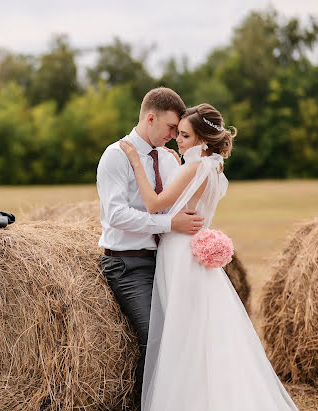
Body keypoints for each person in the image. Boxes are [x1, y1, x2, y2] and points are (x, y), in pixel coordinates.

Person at [119, 103, 298, 410]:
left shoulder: (193, 168)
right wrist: (178, 162)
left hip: (179, 252)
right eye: (178, 133)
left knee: (181, 329)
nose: (178, 138)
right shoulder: (214, 166)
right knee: (200, 327)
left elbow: (153, 204)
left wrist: (136, 162)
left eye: (185, 135)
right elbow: (190, 192)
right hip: (191, 253)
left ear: (202, 140)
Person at [96, 87, 205, 403]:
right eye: (171, 127)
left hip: (167, 263)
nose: (174, 135)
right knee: (156, 338)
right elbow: (115, 215)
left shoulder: (170, 159)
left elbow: (175, 206)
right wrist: (169, 224)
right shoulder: (116, 156)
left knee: (187, 334)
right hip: (127, 264)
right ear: (151, 117)